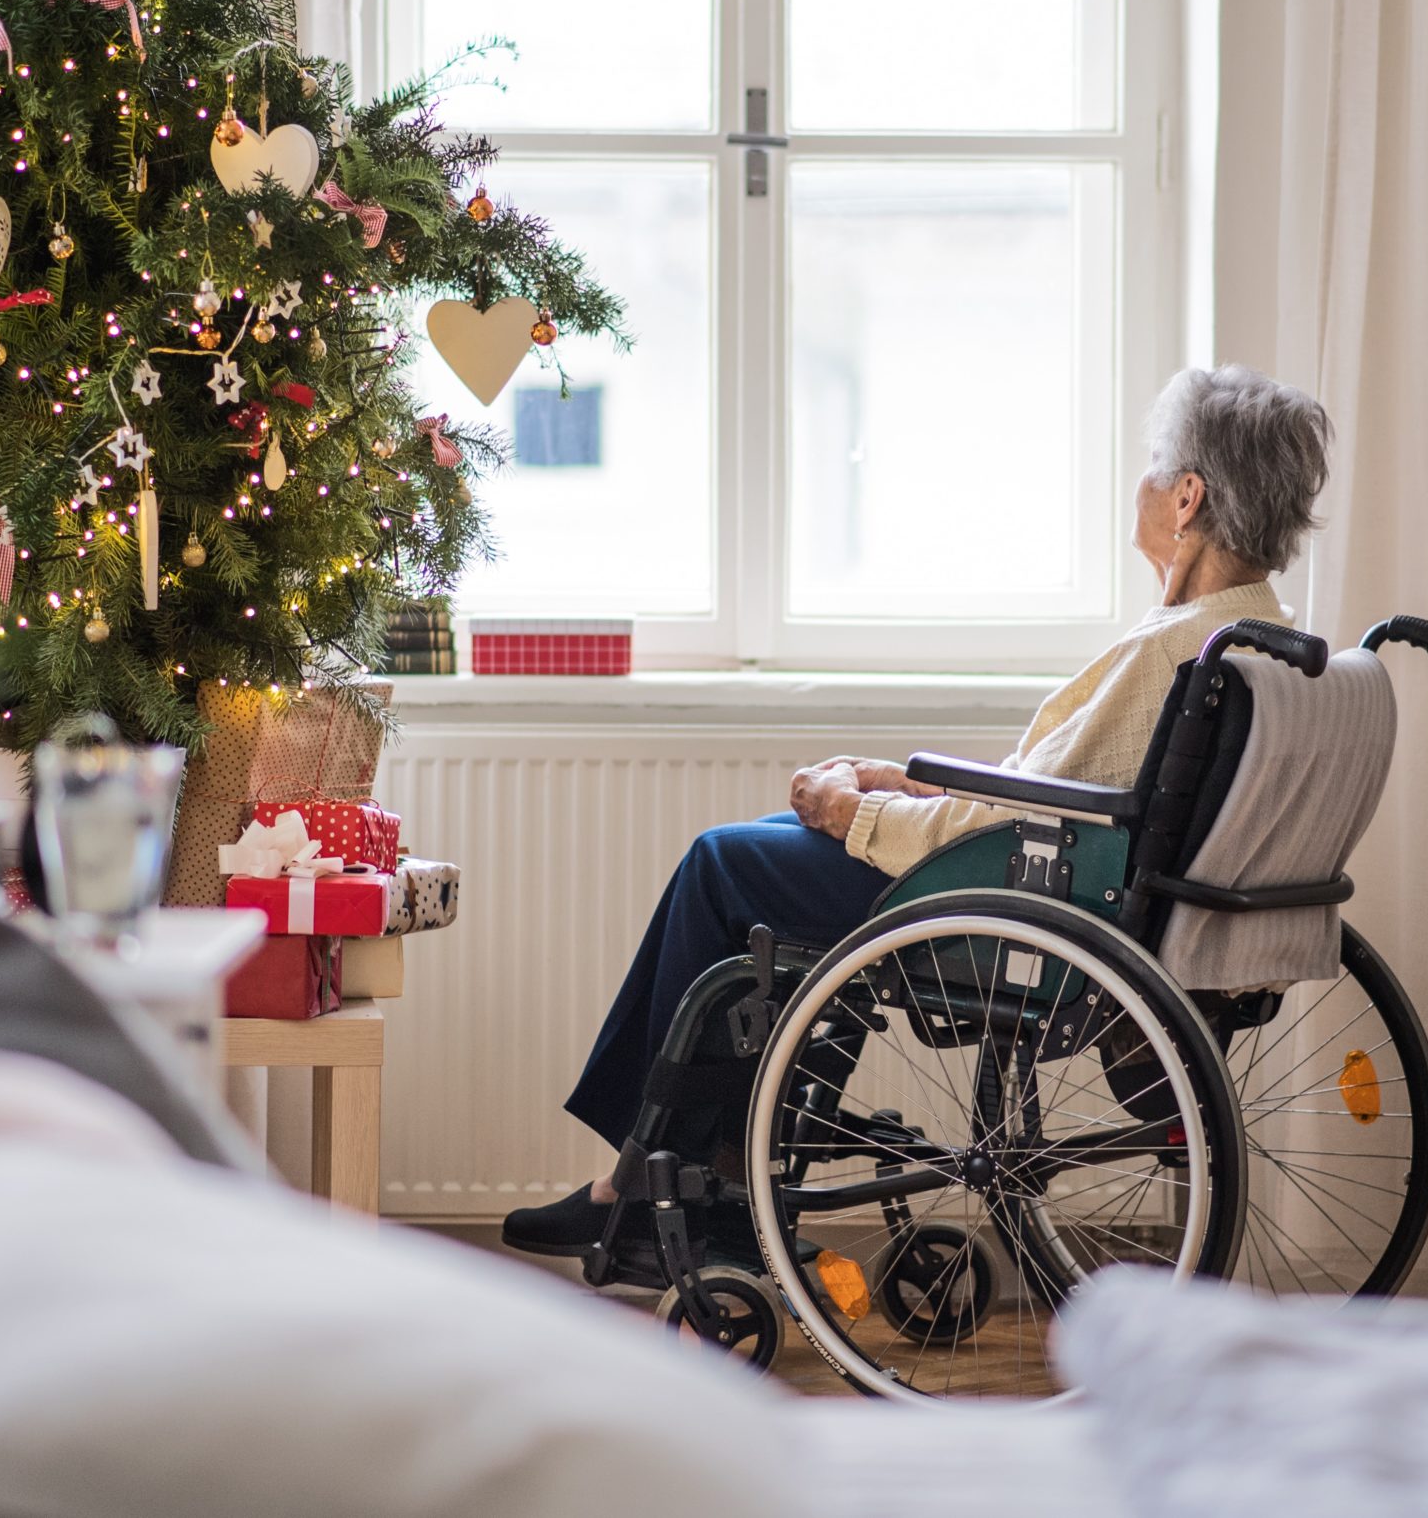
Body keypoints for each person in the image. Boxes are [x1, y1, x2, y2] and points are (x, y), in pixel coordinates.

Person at [500, 365, 1334, 1257]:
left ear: (1188, 499)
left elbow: (1029, 822)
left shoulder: (1178, 648)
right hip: (1066, 889)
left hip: (1021, 915)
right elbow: (1070, 791)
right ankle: (698, 1182)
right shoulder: (1260, 642)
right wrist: (908, 784)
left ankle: (645, 1188)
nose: (1141, 486)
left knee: (725, 865)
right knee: (770, 855)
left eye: (1153, 469)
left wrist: (850, 815)